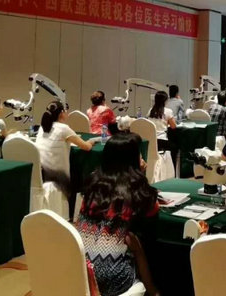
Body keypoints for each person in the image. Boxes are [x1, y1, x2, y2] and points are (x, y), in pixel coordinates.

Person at [76, 133, 159, 296]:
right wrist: (141, 176)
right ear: (133, 160)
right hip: (113, 279)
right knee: (139, 243)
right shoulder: (137, 189)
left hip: (80, 270)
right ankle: (153, 290)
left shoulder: (93, 183)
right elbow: (153, 213)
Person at [35, 100, 95, 198]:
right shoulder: (63, 128)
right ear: (61, 113)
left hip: (43, 175)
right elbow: (87, 147)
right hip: (60, 178)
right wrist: (93, 141)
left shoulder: (42, 128)